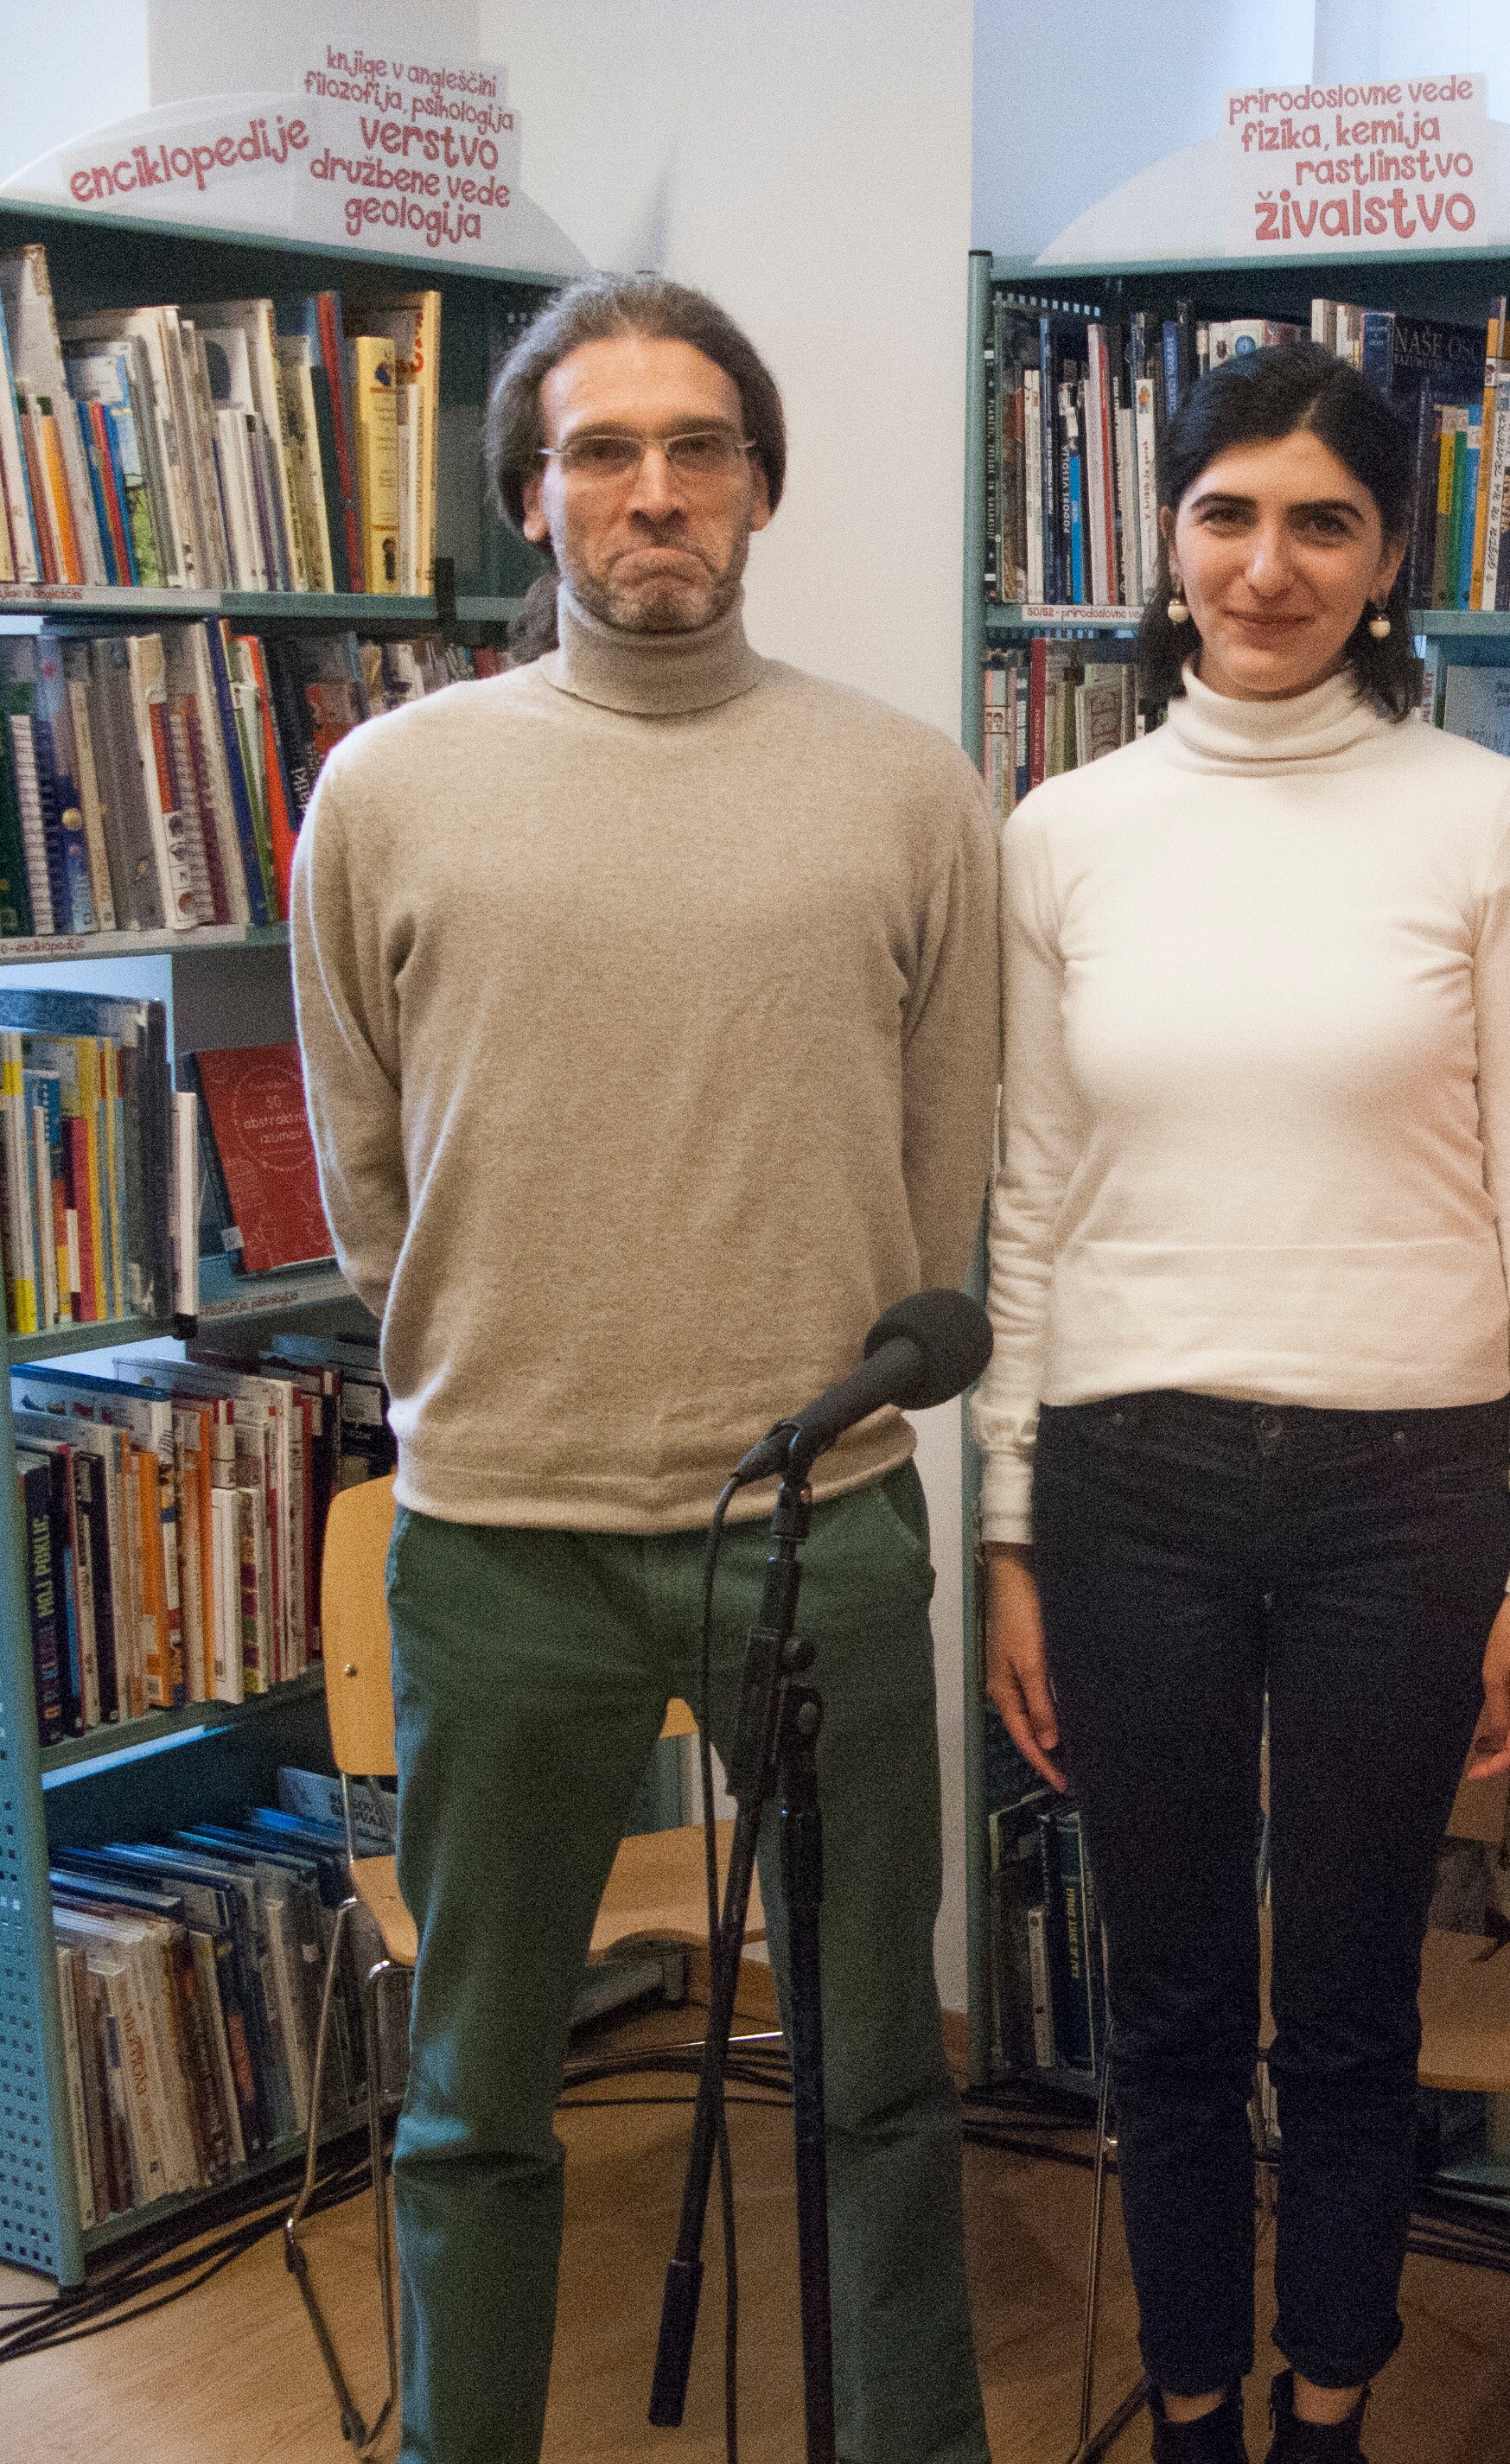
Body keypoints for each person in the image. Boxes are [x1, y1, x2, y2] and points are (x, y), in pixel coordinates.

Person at [290, 272, 998, 2464]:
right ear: (532, 495)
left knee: (877, 2076)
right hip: (499, 1541)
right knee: (474, 2093)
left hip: (820, 1524)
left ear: (762, 487)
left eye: (698, 448)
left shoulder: (907, 789)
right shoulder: (386, 792)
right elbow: (370, 1179)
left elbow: (941, 1166)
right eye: (601, 451)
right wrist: (516, 1354)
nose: (654, 490)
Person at [974, 341, 1510, 2464]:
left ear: (1390, 557)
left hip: (1404, 1491)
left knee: (1339, 1998)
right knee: (1159, 2004)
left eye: (1324, 521)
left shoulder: (1481, 820)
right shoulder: (1062, 831)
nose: (1268, 563)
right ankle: (1194, 2413)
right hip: (1120, 1482)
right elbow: (1030, 1193)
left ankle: (1326, 2412)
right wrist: (1007, 1526)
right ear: (1164, 537)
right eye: (1227, 513)